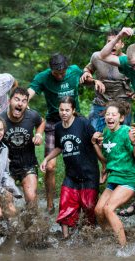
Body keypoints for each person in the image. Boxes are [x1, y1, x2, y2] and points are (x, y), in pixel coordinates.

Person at [28, 53, 88, 215]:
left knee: (79, 161)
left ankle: (83, 199)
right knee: (50, 166)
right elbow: (30, 91)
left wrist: (90, 77)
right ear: (51, 70)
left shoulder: (74, 70)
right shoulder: (44, 77)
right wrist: (21, 101)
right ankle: (49, 203)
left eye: (62, 72)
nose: (60, 76)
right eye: (57, 73)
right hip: (53, 123)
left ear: (66, 68)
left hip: (75, 121)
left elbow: (87, 75)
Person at [40, 96, 99, 239]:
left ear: (73, 110)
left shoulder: (83, 123)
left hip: (89, 174)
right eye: (61, 110)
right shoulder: (58, 127)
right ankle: (65, 237)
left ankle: (89, 238)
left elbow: (96, 142)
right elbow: (60, 147)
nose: (64, 113)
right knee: (64, 205)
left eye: (67, 110)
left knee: (89, 208)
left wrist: (104, 165)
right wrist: (46, 159)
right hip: (71, 175)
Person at [92, 102, 135, 246]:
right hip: (114, 178)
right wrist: (95, 144)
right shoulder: (106, 132)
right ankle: (114, 237)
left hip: (129, 178)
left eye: (114, 114)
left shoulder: (127, 131)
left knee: (108, 209)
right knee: (98, 211)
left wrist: (134, 143)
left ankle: (123, 248)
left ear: (121, 118)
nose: (110, 117)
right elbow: (106, 160)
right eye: (108, 114)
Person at [0, 87, 45, 206]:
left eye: (24, 101)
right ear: (9, 101)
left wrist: (39, 134)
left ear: (27, 104)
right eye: (17, 99)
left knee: (31, 199)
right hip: (7, 167)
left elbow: (42, 122)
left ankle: (29, 224)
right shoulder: (0, 119)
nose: (20, 103)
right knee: (6, 202)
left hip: (28, 164)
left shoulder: (32, 115)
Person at [80, 29, 134, 130]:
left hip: (122, 104)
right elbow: (87, 70)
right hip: (101, 103)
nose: (113, 45)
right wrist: (88, 75)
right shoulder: (97, 57)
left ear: (122, 44)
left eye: (116, 42)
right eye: (109, 42)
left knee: (124, 137)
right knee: (92, 134)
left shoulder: (128, 61)